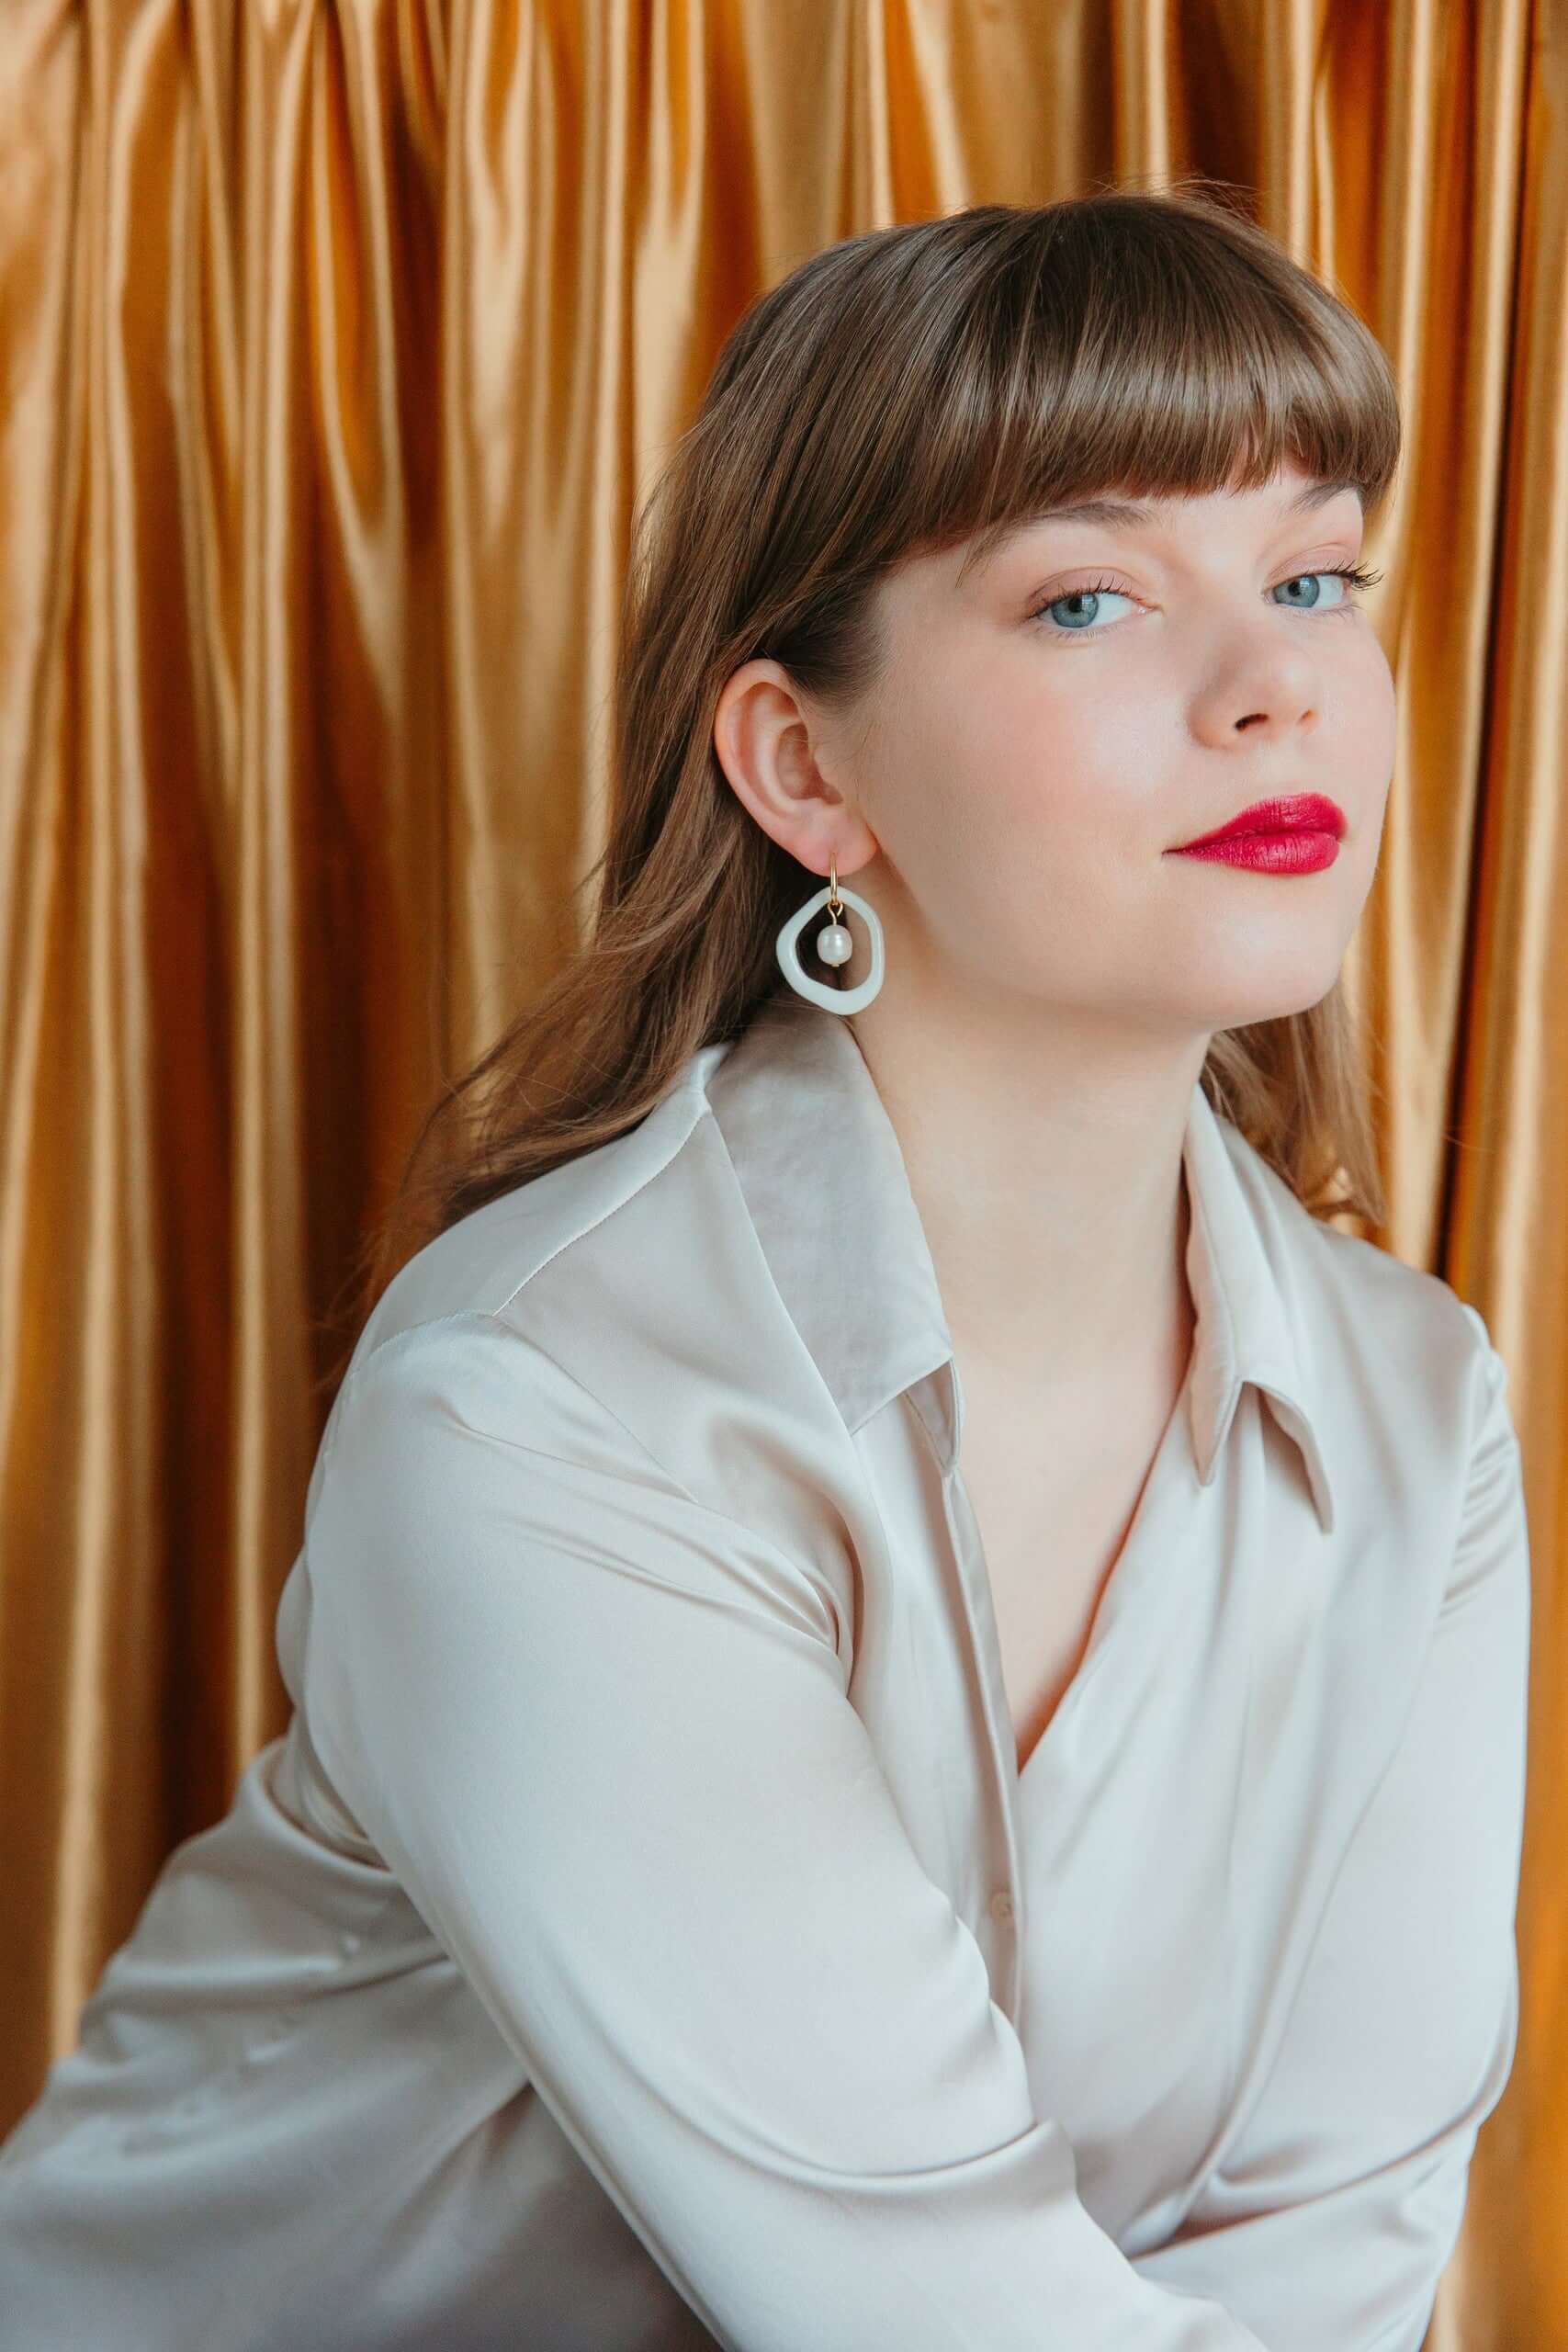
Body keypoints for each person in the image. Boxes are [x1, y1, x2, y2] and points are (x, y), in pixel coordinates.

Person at [0, 186, 1531, 2352]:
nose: (1271, 682)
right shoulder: (541, 1403)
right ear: (806, 766)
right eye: (1090, 596)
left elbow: (1326, 2260)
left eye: (1307, 575)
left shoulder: (1413, 1408)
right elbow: (928, 2308)